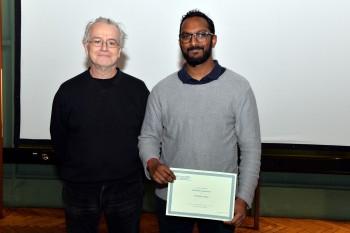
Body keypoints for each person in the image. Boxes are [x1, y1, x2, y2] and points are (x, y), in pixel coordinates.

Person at [138, 9, 261, 233]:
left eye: (201, 35)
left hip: (221, 201)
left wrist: (243, 198)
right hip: (171, 197)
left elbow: (251, 149)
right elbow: (148, 136)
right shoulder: (162, 90)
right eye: (186, 36)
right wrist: (152, 163)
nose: (194, 42)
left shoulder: (239, 88)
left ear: (213, 39)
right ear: (180, 42)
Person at [50, 17, 149, 233]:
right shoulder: (67, 91)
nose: (104, 47)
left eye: (111, 42)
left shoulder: (138, 90)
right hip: (79, 189)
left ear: (120, 49)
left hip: (127, 189)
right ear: (86, 46)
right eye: (97, 41)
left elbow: (148, 136)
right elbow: (59, 139)